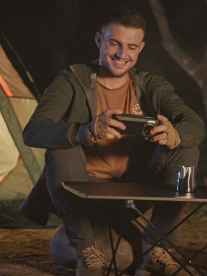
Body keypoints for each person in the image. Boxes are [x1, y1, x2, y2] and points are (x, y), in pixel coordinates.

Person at [20, 7, 206, 276]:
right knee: (62, 150)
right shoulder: (71, 81)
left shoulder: (151, 85)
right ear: (99, 40)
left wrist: (175, 134)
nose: (122, 54)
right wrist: (84, 131)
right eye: (115, 43)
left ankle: (158, 251)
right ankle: (86, 252)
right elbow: (33, 131)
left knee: (186, 149)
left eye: (131, 46)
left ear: (140, 48)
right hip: (82, 193)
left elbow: (195, 124)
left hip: (133, 191)